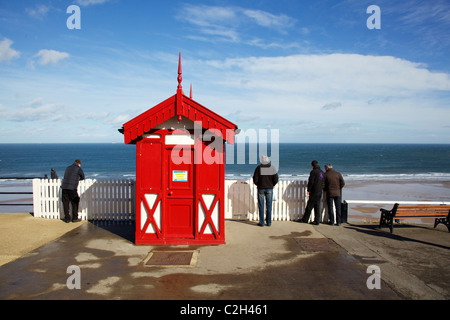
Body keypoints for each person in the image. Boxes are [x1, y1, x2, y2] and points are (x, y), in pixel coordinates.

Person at [253, 155, 278, 227]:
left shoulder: (258, 168)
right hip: (269, 188)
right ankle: (269, 222)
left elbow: (255, 179)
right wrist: (272, 184)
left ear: (262, 160)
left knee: (261, 206)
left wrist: (258, 184)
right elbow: (276, 178)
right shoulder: (272, 168)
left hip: (261, 188)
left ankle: (262, 222)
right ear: (268, 160)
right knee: (269, 206)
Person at [301, 160, 324, 225]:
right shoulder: (321, 172)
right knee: (317, 206)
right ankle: (317, 220)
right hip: (319, 191)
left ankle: (305, 219)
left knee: (309, 206)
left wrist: (309, 190)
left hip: (314, 191)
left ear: (312, 165)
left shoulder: (313, 172)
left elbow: (311, 181)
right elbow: (323, 181)